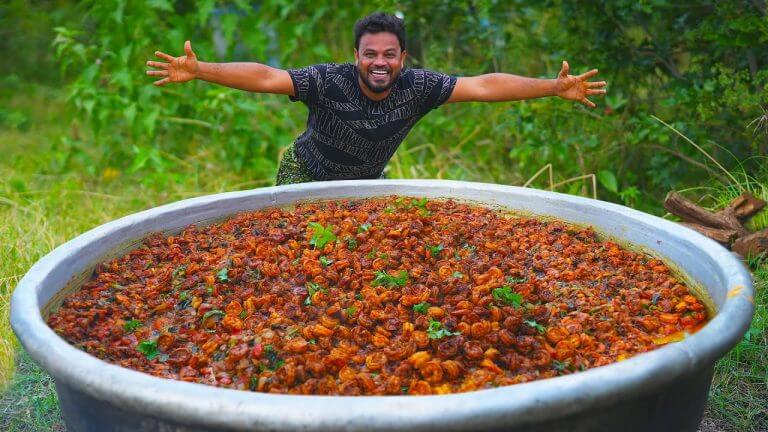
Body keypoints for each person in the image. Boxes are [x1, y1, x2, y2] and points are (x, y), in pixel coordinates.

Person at [146, 12, 607, 185]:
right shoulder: (328, 80)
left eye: (389, 54)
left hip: (368, 180)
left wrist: (552, 86)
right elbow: (267, 77)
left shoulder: (420, 88)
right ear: (356, 56)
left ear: (402, 58)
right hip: (304, 174)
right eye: (371, 54)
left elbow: (484, 86)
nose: (379, 62)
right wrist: (201, 70)